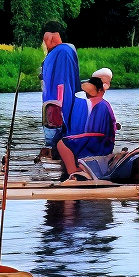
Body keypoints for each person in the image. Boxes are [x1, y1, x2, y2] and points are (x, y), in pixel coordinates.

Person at [57, 77, 117, 179]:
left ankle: (73, 172)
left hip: (98, 141)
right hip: (104, 142)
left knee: (62, 144)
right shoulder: (103, 104)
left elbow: (94, 129)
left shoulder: (96, 104)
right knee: (69, 138)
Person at [38, 21, 78, 171]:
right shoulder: (58, 52)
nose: (43, 42)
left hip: (58, 106)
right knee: (54, 140)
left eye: (44, 37)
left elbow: (63, 82)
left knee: (57, 138)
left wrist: (60, 106)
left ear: (52, 35)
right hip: (53, 105)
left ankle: (64, 166)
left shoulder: (63, 52)